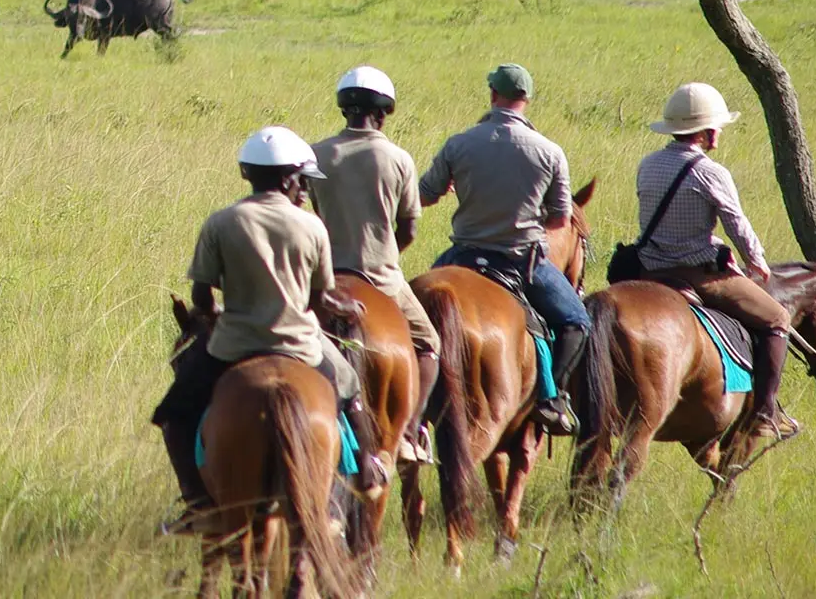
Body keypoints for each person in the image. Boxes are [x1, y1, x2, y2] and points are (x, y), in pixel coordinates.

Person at [152, 125, 388, 534]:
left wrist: (217, 314)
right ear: (288, 177)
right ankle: (363, 471)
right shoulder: (312, 226)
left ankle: (197, 504)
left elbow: (203, 297)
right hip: (302, 344)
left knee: (173, 415)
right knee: (349, 392)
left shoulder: (221, 222)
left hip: (232, 345)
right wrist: (339, 307)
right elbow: (319, 300)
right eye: (299, 180)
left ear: (248, 174)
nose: (301, 187)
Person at [417, 63, 590, 436]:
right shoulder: (549, 151)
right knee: (577, 320)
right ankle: (551, 399)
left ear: (493, 95)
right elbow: (561, 221)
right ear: (526, 100)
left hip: (462, 256)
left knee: (415, 308)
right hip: (521, 262)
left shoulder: (458, 143)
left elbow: (424, 196)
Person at [637, 82, 798, 441]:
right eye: (718, 127)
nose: (720, 132)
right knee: (777, 319)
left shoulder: (647, 165)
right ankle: (765, 411)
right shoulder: (711, 172)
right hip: (698, 274)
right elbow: (736, 222)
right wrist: (756, 261)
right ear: (707, 131)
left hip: (648, 268)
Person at [311, 66, 441, 465]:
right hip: (382, 277)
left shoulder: (316, 155)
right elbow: (410, 228)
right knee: (428, 343)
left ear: (343, 109)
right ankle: (410, 430)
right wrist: (388, 253)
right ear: (384, 112)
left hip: (326, 279)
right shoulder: (398, 158)